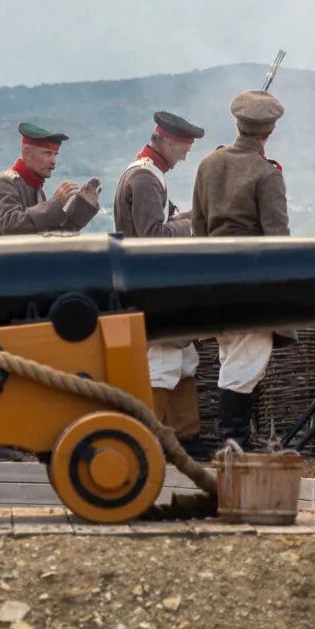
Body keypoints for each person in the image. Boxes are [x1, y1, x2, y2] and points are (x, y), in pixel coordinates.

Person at [191, 90, 290, 449]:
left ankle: (237, 440)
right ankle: (233, 441)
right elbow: (278, 239)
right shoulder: (267, 174)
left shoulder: (208, 164)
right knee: (245, 365)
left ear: (238, 123)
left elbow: (199, 228)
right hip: (253, 283)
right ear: (271, 130)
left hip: (215, 277)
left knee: (231, 357)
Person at [112, 110, 207, 442]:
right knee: (163, 367)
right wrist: (191, 223)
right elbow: (153, 235)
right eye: (183, 148)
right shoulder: (145, 178)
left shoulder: (146, 174)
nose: (184, 155)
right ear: (167, 141)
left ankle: (185, 437)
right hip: (153, 287)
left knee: (183, 361)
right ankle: (150, 441)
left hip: (153, 284)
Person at [0, 122, 99, 235]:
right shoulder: (5, 182)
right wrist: (55, 204)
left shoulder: (36, 188)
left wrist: (82, 207)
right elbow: (11, 226)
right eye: (47, 153)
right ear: (26, 152)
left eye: (55, 154)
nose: (53, 161)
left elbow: (52, 235)